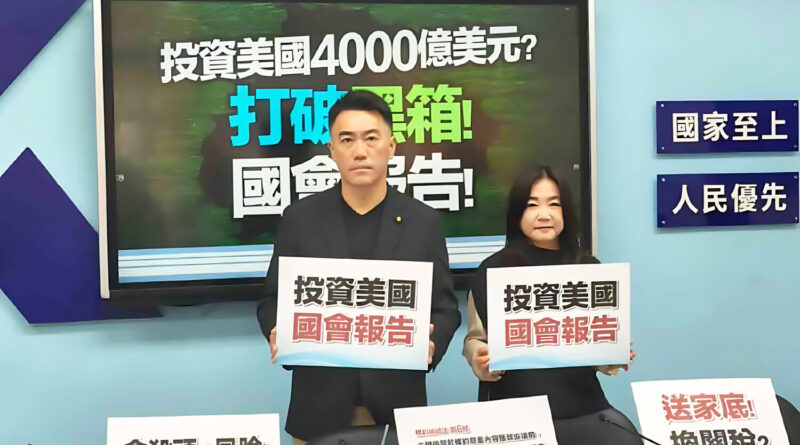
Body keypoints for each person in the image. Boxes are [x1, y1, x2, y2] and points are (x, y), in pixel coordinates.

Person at [257, 90, 461, 443]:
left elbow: (445, 309)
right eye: (347, 139)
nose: (360, 151)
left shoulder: (423, 222)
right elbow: (271, 301)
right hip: (317, 411)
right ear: (332, 150)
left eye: (371, 138)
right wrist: (279, 330)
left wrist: (432, 343)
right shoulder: (300, 219)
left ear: (391, 146)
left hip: (397, 409)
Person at [463, 165, 635, 418]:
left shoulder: (588, 268)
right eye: (532, 205)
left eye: (554, 204)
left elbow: (595, 349)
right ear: (517, 213)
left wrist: (613, 353)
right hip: (513, 408)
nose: (544, 215)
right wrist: (479, 359)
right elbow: (475, 338)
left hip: (582, 406)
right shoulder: (492, 269)